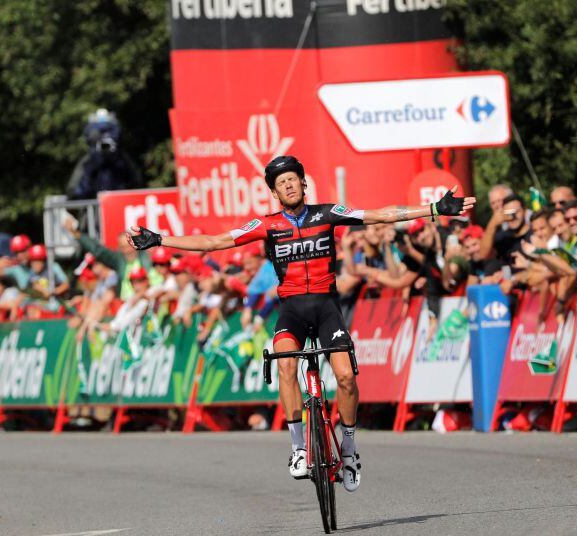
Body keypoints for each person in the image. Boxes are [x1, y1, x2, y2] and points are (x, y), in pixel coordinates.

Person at [127, 155, 474, 492]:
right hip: (291, 310)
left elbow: (379, 215)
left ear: (304, 184)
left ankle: (350, 451)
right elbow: (214, 242)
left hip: (326, 308)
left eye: (294, 179)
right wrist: (160, 239)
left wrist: (433, 209)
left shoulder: (329, 213)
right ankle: (298, 448)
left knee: (346, 379)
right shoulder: (265, 225)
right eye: (282, 183)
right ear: (275, 194)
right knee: (286, 368)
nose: (289, 185)